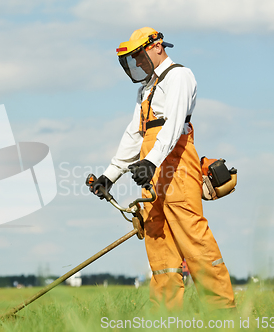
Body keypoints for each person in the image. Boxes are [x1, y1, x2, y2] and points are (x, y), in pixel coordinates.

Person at [89, 27, 236, 310]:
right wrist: (110, 175)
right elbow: (135, 135)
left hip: (177, 167)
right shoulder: (146, 90)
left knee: (193, 238)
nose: (139, 64)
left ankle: (223, 312)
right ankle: (165, 316)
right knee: (158, 240)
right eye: (134, 60)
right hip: (152, 171)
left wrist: (151, 161)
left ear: (157, 46)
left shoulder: (179, 75)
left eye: (140, 56)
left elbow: (173, 125)